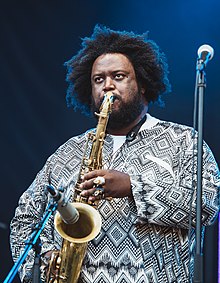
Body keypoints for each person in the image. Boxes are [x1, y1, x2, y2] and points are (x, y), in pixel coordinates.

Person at [10, 24, 219, 283]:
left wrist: (133, 187)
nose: (107, 86)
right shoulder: (67, 152)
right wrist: (43, 267)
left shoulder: (184, 141)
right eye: (99, 80)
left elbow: (207, 205)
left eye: (118, 76)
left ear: (142, 84)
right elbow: (25, 219)